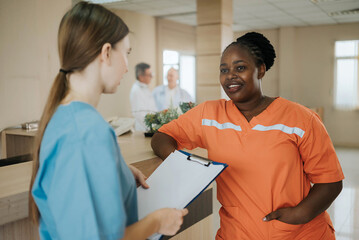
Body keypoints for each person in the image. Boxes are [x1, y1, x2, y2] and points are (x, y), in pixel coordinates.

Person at [151, 32, 344, 239]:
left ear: (260, 70)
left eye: (240, 68)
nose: (230, 76)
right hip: (237, 233)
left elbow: (330, 181)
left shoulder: (301, 119)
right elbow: (162, 136)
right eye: (224, 70)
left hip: (298, 233)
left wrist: (300, 214)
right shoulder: (209, 115)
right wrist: (180, 164)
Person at [29, 2, 187, 240]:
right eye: (126, 53)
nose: (126, 66)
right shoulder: (87, 133)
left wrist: (118, 173)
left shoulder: (65, 118)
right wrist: (157, 221)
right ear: (105, 52)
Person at [130, 63, 157, 131]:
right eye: (149, 75)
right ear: (141, 77)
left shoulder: (145, 88)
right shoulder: (136, 90)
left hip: (151, 127)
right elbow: (140, 114)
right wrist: (153, 127)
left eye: (151, 74)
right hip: (144, 129)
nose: (151, 77)